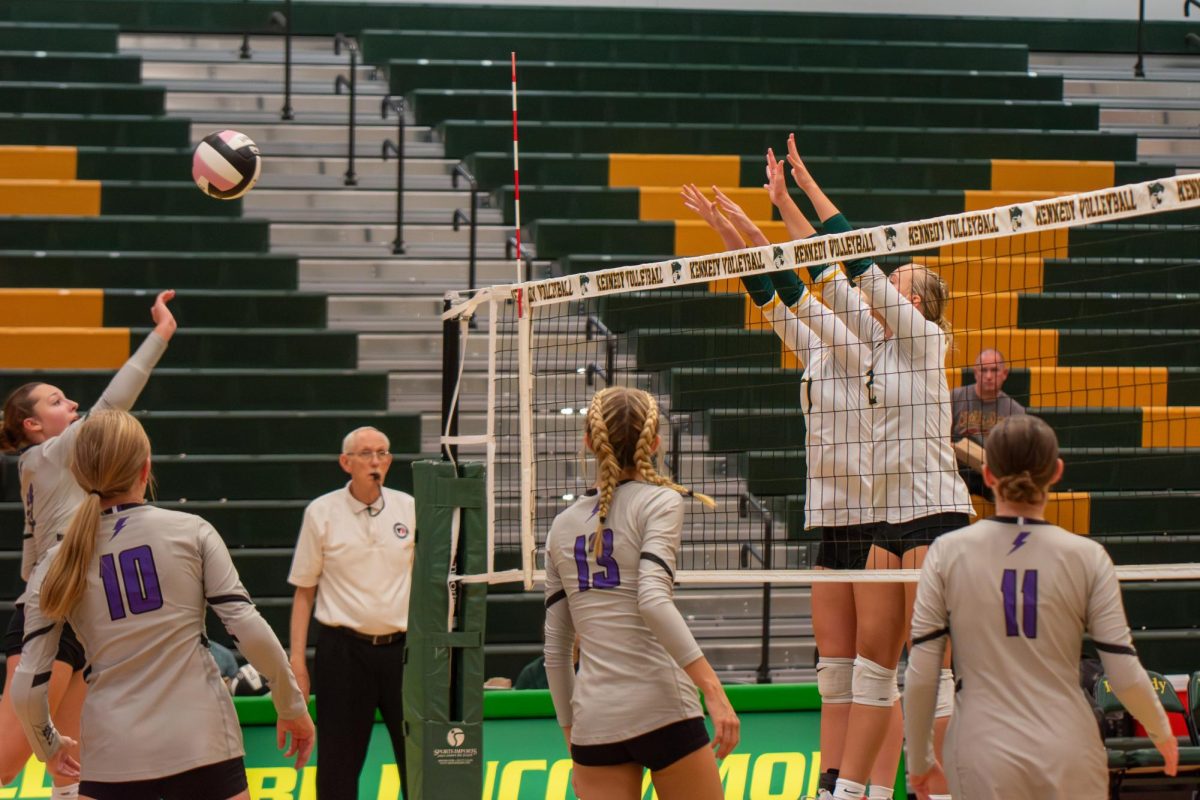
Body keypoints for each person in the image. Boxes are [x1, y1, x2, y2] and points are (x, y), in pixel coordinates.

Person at [681, 176, 903, 800]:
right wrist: (728, 227)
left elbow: (798, 271)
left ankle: (879, 787)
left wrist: (781, 205)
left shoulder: (871, 352)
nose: (821, 303)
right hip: (827, 516)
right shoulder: (816, 349)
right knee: (834, 673)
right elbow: (767, 281)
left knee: (874, 673)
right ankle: (834, 780)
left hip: (873, 514)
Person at [784, 137, 972, 800]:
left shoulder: (922, 340)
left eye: (898, 283)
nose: (887, 285)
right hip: (886, 517)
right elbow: (816, 275)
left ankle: (940, 789)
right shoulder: (870, 344)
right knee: (874, 667)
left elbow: (852, 255)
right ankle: (851, 788)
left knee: (931, 668)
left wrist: (808, 180)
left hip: (935, 512)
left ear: (915, 304)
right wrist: (781, 206)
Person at [9, 409, 314, 798]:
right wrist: (290, 706)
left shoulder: (55, 560)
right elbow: (248, 630)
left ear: (78, 474)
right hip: (202, 741)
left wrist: (47, 745)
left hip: (112, 751)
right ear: (145, 467)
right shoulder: (191, 531)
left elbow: (28, 684)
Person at [904, 414, 1177, 800]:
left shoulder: (947, 553)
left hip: (982, 750)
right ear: (1057, 472)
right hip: (1070, 749)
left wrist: (919, 761)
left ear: (988, 474)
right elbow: (1124, 671)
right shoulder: (1088, 557)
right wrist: (1161, 732)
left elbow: (922, 673)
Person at [0, 289, 178, 798]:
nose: (72, 404)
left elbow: (30, 559)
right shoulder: (47, 455)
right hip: (51, 613)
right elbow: (113, 403)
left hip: (82, 607)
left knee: (75, 762)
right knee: (7, 760)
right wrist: (161, 335)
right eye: (57, 401)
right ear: (33, 425)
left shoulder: (49, 467)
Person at [543, 386, 738, 800]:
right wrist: (714, 692)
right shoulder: (660, 502)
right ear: (655, 444)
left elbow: (556, 653)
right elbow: (652, 599)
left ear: (588, 442)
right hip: (663, 707)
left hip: (595, 722)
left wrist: (572, 741)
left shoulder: (561, 526)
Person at [287, 426, 416, 799]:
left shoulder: (410, 507)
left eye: (383, 453)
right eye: (366, 454)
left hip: (402, 652)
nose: (376, 461)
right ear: (346, 462)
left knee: (417, 759)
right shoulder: (321, 512)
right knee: (337, 766)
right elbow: (304, 592)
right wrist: (297, 660)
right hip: (342, 652)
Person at [950, 349, 1026, 500]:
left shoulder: (1016, 411)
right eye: (984, 370)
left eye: (995, 370)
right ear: (975, 372)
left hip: (994, 475)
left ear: (1004, 374)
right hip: (959, 471)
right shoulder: (954, 398)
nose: (989, 376)